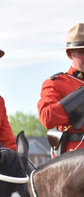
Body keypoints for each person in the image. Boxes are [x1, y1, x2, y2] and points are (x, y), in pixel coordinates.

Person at [38, 23, 84, 155]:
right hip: (73, 157)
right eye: (82, 52)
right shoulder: (56, 83)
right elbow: (47, 118)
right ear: (70, 54)